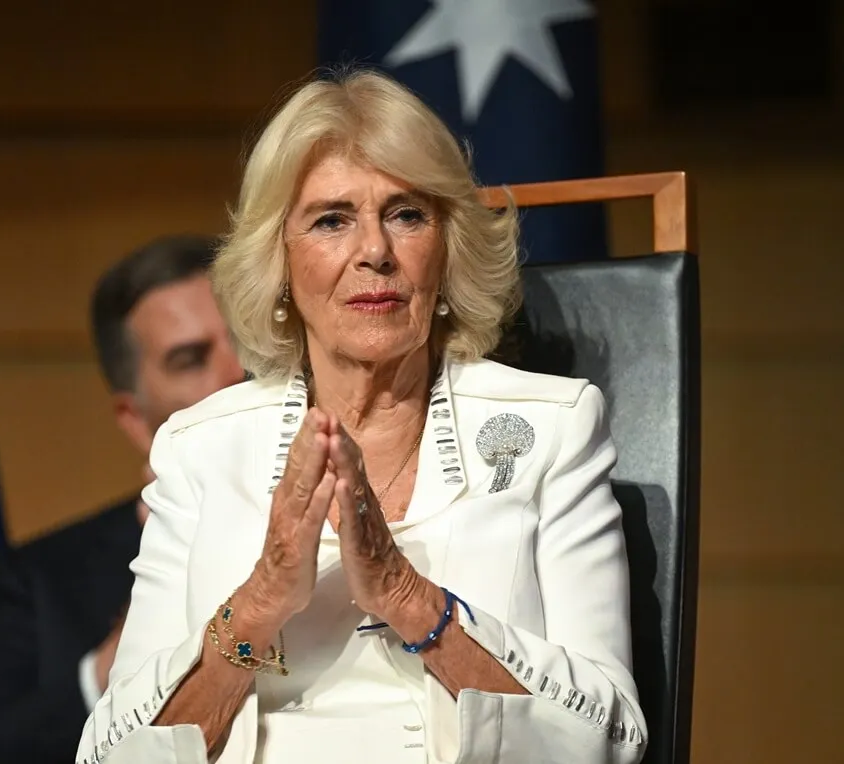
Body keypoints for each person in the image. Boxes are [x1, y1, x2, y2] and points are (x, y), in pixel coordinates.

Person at [76, 69, 646, 764]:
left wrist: (412, 601)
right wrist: (260, 601)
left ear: (448, 248)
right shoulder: (201, 449)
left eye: (406, 214)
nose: (374, 251)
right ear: (279, 262)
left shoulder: (554, 430)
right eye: (332, 219)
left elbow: (616, 739)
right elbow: (109, 753)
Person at [0, 235, 244, 764]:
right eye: (190, 359)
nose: (236, 374)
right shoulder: (44, 581)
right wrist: (104, 673)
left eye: (248, 341)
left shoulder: (380, 517)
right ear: (135, 420)